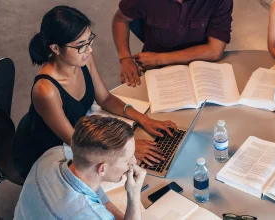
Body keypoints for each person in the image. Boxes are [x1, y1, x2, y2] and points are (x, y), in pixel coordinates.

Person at [14, 5, 176, 178]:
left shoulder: (83, 58)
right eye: (81, 45)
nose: (89, 49)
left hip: (81, 133)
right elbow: (76, 142)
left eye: (89, 40)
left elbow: (105, 98)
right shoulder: (46, 91)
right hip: (46, 151)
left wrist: (144, 119)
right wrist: (127, 148)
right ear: (55, 48)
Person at [14, 115, 146, 220]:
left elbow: (96, 197)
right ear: (102, 169)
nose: (134, 162)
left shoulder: (55, 153)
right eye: (127, 159)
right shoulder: (91, 215)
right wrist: (134, 195)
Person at [112, 0, 233, 87]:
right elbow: (120, 20)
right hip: (157, 72)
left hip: (201, 69)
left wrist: (160, 59)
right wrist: (125, 58)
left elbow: (214, 50)